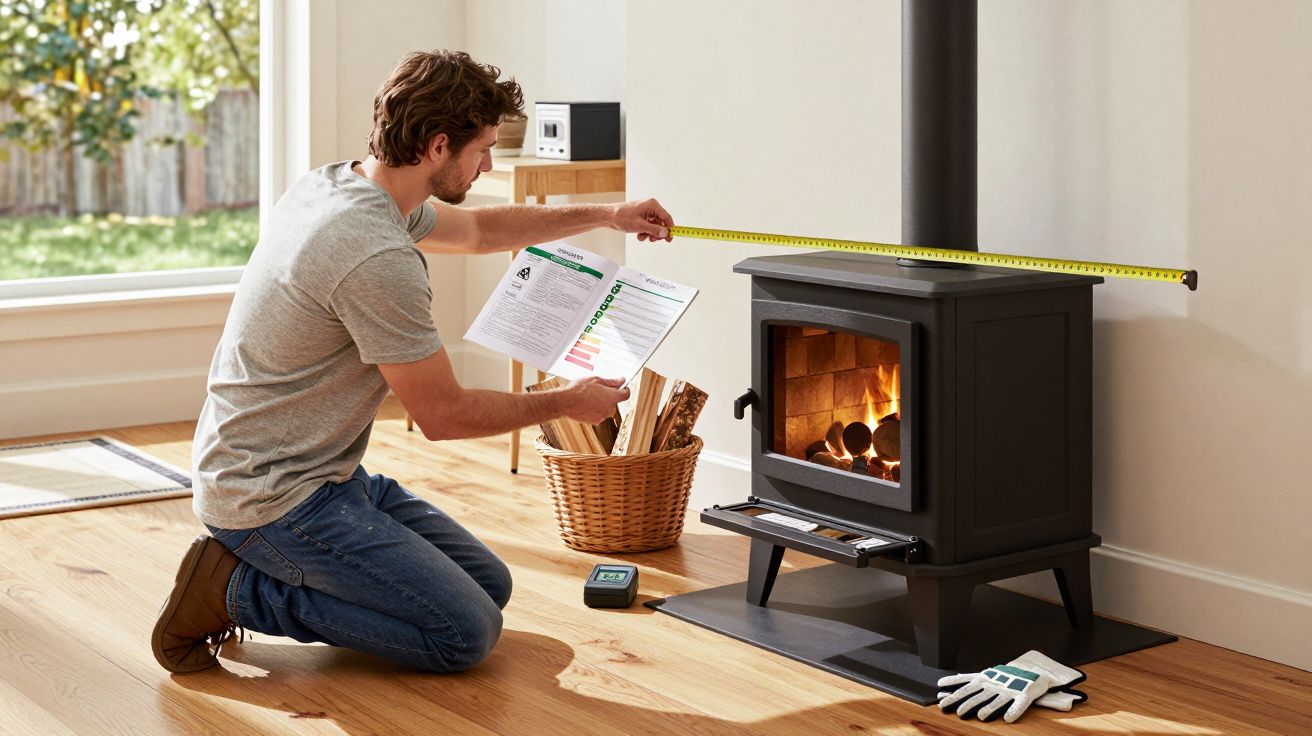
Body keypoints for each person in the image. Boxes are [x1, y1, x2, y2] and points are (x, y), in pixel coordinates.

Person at [151, 50, 674, 674]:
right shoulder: (373, 254)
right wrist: (568, 401)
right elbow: (444, 416)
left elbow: (479, 232)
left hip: (324, 476)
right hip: (270, 497)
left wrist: (606, 214)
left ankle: (280, 567)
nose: (487, 165)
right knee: (464, 633)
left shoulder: (341, 186)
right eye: (481, 150)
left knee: (492, 586)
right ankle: (237, 589)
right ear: (436, 146)